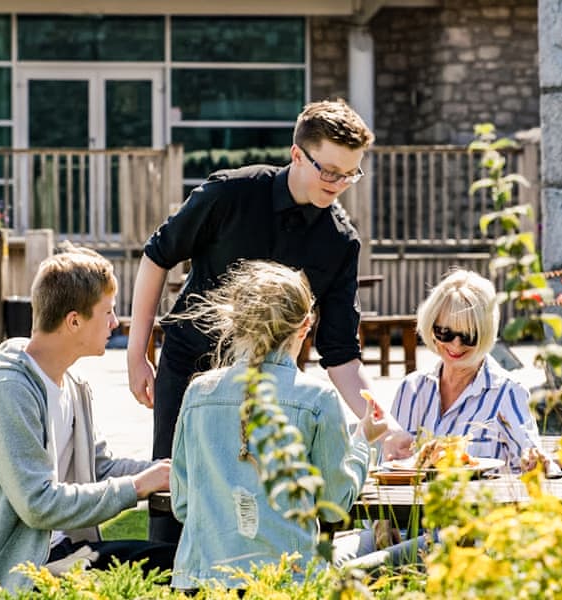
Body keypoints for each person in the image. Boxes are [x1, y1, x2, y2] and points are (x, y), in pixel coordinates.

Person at [126, 98, 402, 543]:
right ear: (297, 155)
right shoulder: (229, 193)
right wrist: (136, 355)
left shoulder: (340, 241)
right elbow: (157, 256)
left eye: (350, 174)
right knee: (177, 506)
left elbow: (341, 355)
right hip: (192, 367)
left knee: (262, 513)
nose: (338, 183)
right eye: (329, 171)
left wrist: (383, 423)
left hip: (275, 391)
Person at [0, 245, 175, 599]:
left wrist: (170, 472)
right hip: (7, 576)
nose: (115, 323)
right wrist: (139, 486)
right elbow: (38, 504)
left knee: (177, 565)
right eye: (108, 312)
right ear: (74, 320)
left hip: (61, 556)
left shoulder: (73, 386)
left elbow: (101, 467)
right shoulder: (5, 391)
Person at [168, 260, 388, 590]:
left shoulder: (199, 393)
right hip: (286, 583)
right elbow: (334, 504)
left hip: (200, 582)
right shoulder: (317, 398)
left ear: (236, 322)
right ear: (305, 326)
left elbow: (182, 504)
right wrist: (364, 441)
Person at [333, 268, 558, 568]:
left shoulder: (506, 392)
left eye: (469, 337)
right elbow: (390, 472)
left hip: (459, 538)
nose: (455, 346)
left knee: (354, 572)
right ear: (431, 326)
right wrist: (390, 454)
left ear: (486, 333)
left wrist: (538, 463)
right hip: (399, 526)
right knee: (325, 562)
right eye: (445, 333)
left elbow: (534, 464)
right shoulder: (413, 388)